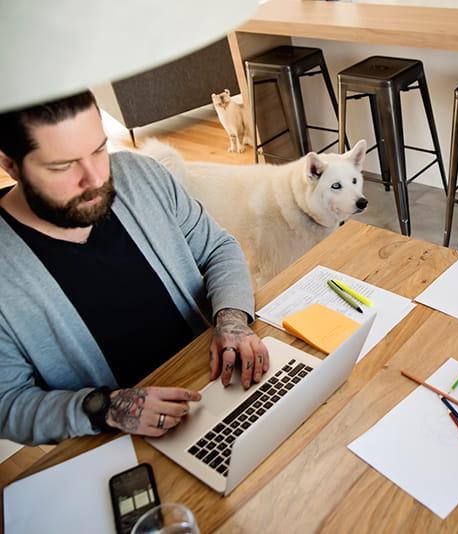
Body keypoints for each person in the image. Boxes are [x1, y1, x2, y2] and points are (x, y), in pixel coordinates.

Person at [0, 90, 270, 445]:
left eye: (98, 150)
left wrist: (232, 321)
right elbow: (8, 405)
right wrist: (105, 407)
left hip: (217, 385)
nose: (94, 178)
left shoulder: (141, 176)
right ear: (9, 164)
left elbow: (218, 248)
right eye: (62, 166)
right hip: (117, 441)